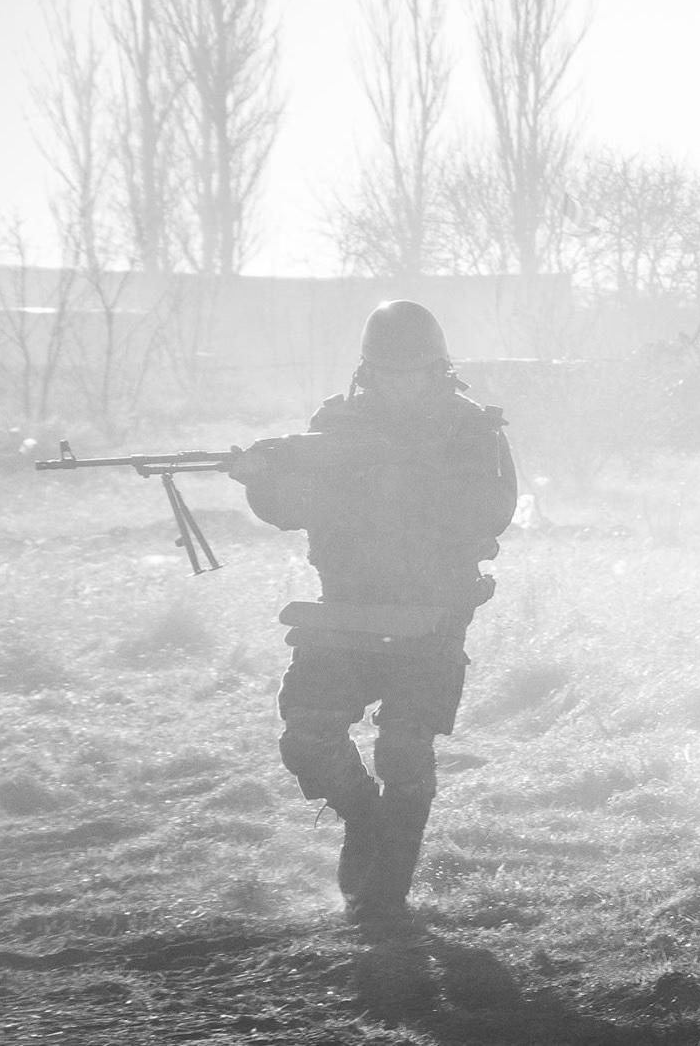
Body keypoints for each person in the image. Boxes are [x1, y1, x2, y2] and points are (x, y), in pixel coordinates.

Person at [230, 299, 518, 931]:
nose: (401, 383)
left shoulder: (472, 430)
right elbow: (290, 507)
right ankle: (365, 818)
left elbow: (489, 510)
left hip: (432, 613)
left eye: (414, 371)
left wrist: (393, 474)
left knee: (405, 750)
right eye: (389, 371)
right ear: (368, 370)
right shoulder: (335, 426)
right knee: (307, 736)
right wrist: (259, 478)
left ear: (439, 369)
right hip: (345, 611)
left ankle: (385, 892)